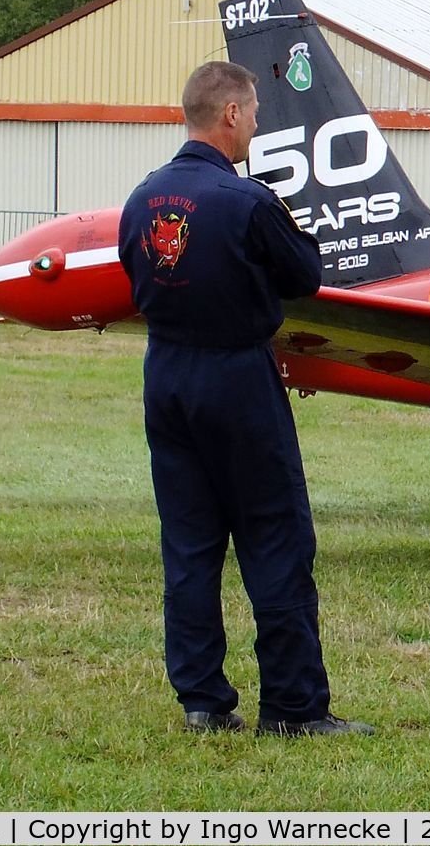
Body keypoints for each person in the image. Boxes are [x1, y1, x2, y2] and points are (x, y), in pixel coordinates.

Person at [118, 60, 371, 737]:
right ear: (228, 113)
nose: (258, 123)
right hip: (236, 377)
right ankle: (293, 706)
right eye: (255, 111)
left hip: (166, 376)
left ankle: (202, 699)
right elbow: (305, 274)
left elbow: (131, 271)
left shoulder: (143, 199)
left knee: (191, 542)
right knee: (275, 538)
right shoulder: (248, 200)